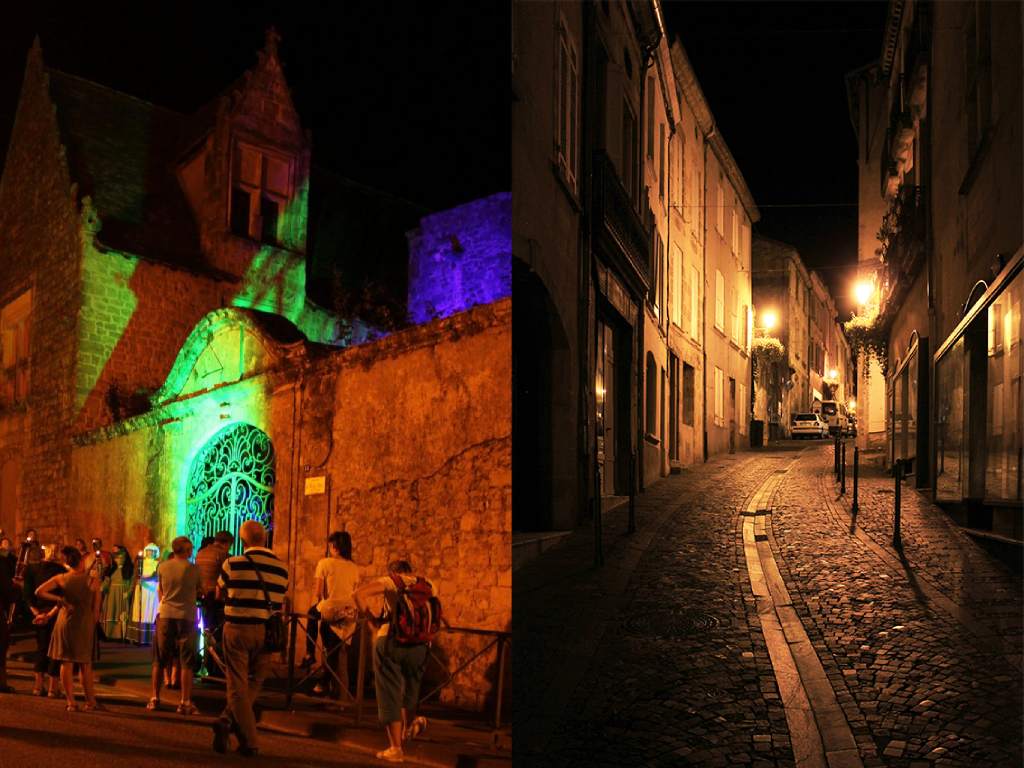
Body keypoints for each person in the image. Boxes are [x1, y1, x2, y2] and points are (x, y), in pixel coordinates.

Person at [212, 520, 288, 758]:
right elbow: (280, 599)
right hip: (266, 631)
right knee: (255, 681)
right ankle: (225, 720)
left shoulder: (233, 563)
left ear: (243, 541)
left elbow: (218, 593)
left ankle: (250, 741)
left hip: (238, 629)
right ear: (264, 538)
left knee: (237, 685)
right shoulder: (281, 568)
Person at [353, 559, 435, 763]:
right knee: (411, 689)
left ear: (393, 572)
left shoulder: (391, 581)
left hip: (391, 641)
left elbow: (357, 594)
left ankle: (396, 748)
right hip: (420, 645)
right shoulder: (428, 583)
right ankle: (409, 727)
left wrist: (372, 622)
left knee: (389, 693)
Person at [36, 546, 104, 711]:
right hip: (84, 623)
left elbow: (39, 592)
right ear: (81, 561)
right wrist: (93, 624)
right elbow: (96, 610)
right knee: (85, 664)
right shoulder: (93, 580)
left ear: (67, 563)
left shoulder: (62, 578)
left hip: (64, 622)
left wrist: (59, 600)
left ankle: (71, 702)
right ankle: (90, 702)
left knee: (66, 662)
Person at [148, 536, 201, 714]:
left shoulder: (162, 566)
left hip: (166, 614)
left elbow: (161, 590)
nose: (191, 551)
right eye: (190, 548)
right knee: (186, 660)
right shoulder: (194, 569)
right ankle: (185, 701)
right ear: (186, 551)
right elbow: (199, 589)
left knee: (160, 658)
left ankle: (154, 698)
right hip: (186, 616)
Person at [311, 531, 359, 701]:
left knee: (330, 653)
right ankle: (342, 699)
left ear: (333, 546)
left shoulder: (324, 563)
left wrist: (325, 602)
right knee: (342, 657)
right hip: (349, 615)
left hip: (331, 612)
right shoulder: (354, 567)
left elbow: (318, 592)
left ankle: (315, 664)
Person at [23, 542, 65, 696]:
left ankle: (44, 687)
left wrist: (42, 614)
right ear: (45, 551)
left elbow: (27, 596)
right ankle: (46, 687)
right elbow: (28, 595)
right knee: (50, 649)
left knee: (46, 648)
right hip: (48, 614)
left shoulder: (35, 569)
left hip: (47, 614)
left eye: (56, 550)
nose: (53, 552)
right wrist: (42, 614)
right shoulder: (59, 571)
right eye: (51, 549)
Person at [196, 531, 233, 675]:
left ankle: (206, 663)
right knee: (218, 634)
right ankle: (216, 668)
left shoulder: (201, 553)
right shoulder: (224, 556)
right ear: (227, 543)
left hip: (203, 597)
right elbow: (224, 579)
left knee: (207, 631)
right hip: (217, 600)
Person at [128, 543, 160, 644]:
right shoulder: (140, 562)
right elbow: (136, 574)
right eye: (148, 551)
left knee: (149, 611)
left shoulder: (157, 564)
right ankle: (138, 637)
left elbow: (157, 576)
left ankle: (149, 638)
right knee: (139, 610)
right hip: (140, 589)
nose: (150, 553)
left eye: (152, 551)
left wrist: (146, 578)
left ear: (155, 553)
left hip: (151, 590)